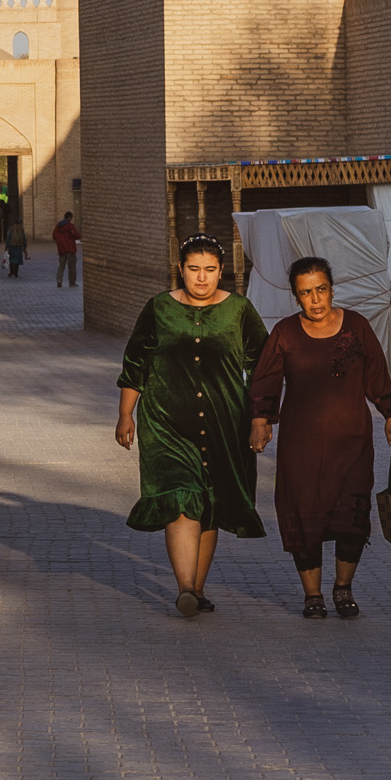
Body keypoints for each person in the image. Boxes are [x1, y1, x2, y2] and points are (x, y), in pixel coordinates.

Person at [116, 234, 267, 616]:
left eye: (210, 270)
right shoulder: (158, 309)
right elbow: (135, 364)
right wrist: (125, 414)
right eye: (194, 269)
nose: (202, 278)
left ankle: (196, 590)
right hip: (167, 422)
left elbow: (264, 368)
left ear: (222, 272)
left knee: (211, 503)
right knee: (182, 499)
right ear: (180, 269)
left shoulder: (240, 311)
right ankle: (184, 587)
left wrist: (261, 418)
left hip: (226, 422)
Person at [249, 255, 391, 620]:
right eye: (306, 293)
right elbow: (266, 380)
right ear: (296, 296)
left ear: (332, 289)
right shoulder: (284, 333)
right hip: (301, 447)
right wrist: (260, 420)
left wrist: (390, 416)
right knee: (305, 516)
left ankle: (343, 589)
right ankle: (313, 594)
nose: (315, 300)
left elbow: (377, 374)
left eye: (321, 290)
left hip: (352, 442)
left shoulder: (357, 327)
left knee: (352, 514)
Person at [52, 211, 81, 288]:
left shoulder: (57, 227)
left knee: (61, 266)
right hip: (70, 249)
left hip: (61, 249)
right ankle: (72, 283)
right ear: (69, 218)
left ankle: (59, 280)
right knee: (72, 267)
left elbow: (54, 236)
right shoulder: (70, 226)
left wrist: (60, 242)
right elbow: (76, 235)